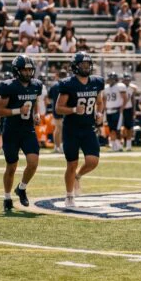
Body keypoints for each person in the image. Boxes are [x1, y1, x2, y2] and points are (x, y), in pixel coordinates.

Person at [54, 52, 105, 208]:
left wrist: (99, 114)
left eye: (88, 64)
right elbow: (58, 108)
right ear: (75, 67)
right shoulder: (68, 84)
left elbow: (99, 102)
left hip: (88, 128)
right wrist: (74, 109)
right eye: (83, 64)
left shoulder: (96, 82)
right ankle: (69, 196)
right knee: (72, 164)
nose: (86, 67)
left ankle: (78, 176)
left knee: (93, 161)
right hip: (71, 129)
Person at [0, 55, 42, 212]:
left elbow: (34, 102)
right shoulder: (9, 86)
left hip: (28, 130)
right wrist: (18, 111)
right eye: (25, 70)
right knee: (11, 166)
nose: (28, 72)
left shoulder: (36, 85)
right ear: (17, 70)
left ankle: (21, 188)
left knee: (33, 163)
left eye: (30, 69)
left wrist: (36, 114)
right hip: (11, 131)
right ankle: (7, 197)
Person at [46, 69, 68, 154]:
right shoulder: (67, 84)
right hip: (65, 109)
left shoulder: (54, 86)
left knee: (58, 128)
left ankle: (57, 146)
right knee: (61, 128)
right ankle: (60, 146)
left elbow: (49, 99)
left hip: (56, 109)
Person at [104, 72, 126, 152]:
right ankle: (114, 146)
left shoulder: (120, 86)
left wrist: (122, 108)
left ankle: (119, 146)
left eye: (112, 78)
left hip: (117, 110)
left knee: (117, 129)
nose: (110, 80)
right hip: (108, 110)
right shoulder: (106, 87)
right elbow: (104, 99)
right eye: (110, 78)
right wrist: (104, 108)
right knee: (111, 129)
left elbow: (125, 98)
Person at [121, 73, 140, 151]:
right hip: (119, 109)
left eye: (128, 79)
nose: (127, 81)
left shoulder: (131, 88)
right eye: (125, 79)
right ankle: (121, 143)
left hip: (128, 108)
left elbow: (133, 99)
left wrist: (134, 110)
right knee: (120, 128)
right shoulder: (119, 87)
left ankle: (128, 145)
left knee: (129, 127)